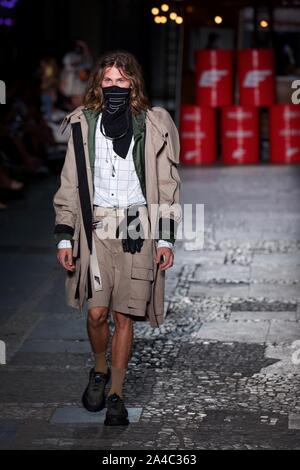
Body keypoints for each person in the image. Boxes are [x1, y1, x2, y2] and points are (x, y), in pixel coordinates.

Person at [53, 50, 181, 426]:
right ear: (98, 84)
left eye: (121, 81)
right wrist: (65, 237)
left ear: (133, 84)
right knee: (96, 313)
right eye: (107, 81)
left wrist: (166, 240)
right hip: (95, 229)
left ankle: (116, 394)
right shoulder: (83, 123)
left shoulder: (153, 123)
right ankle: (98, 368)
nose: (114, 87)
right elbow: (70, 182)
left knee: (124, 314)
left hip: (136, 226)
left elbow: (168, 184)